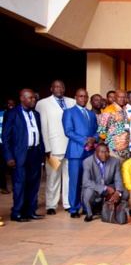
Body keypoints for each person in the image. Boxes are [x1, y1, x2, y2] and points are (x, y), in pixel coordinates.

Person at [2, 89, 46, 222]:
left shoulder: (36, 114)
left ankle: (30, 211)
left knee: (33, 184)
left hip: (35, 153)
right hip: (20, 155)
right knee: (20, 184)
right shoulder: (12, 114)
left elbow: (39, 134)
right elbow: (6, 137)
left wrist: (42, 154)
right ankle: (17, 212)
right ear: (22, 98)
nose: (34, 100)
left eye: (34, 98)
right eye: (30, 98)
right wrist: (9, 157)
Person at [36, 79, 76, 215]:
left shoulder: (72, 102)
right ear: (51, 89)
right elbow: (43, 127)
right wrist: (46, 148)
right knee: (53, 177)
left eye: (62, 87)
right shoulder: (43, 103)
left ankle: (67, 203)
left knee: (68, 177)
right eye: (56, 87)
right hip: (53, 149)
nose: (59, 89)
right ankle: (51, 205)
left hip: (70, 148)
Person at [62, 88, 99, 218]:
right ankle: (73, 208)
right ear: (75, 97)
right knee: (75, 181)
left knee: (87, 181)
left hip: (89, 154)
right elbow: (68, 131)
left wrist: (94, 139)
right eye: (80, 96)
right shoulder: (69, 112)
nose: (83, 98)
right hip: (76, 152)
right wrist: (85, 142)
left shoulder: (92, 114)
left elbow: (96, 131)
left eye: (85, 96)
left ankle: (85, 206)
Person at [81, 144, 130, 223]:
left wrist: (117, 192)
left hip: (109, 186)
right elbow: (86, 181)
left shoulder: (115, 161)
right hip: (95, 187)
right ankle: (90, 213)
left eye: (106, 152)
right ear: (95, 153)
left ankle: (115, 210)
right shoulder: (87, 162)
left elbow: (118, 179)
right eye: (101, 152)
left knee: (125, 193)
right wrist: (105, 188)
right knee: (87, 193)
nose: (104, 154)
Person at [98, 89, 131, 162]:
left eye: (124, 97)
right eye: (120, 97)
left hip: (125, 151)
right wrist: (111, 140)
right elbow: (101, 131)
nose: (122, 99)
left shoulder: (124, 111)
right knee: (113, 172)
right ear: (115, 98)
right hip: (113, 150)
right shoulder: (109, 110)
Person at [0, 99, 16, 196]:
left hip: (12, 145)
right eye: (9, 103)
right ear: (5, 104)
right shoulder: (1, 114)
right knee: (1, 167)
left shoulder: (16, 114)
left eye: (13, 103)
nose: (11, 105)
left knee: (13, 167)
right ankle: (3, 187)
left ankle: (15, 186)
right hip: (1, 144)